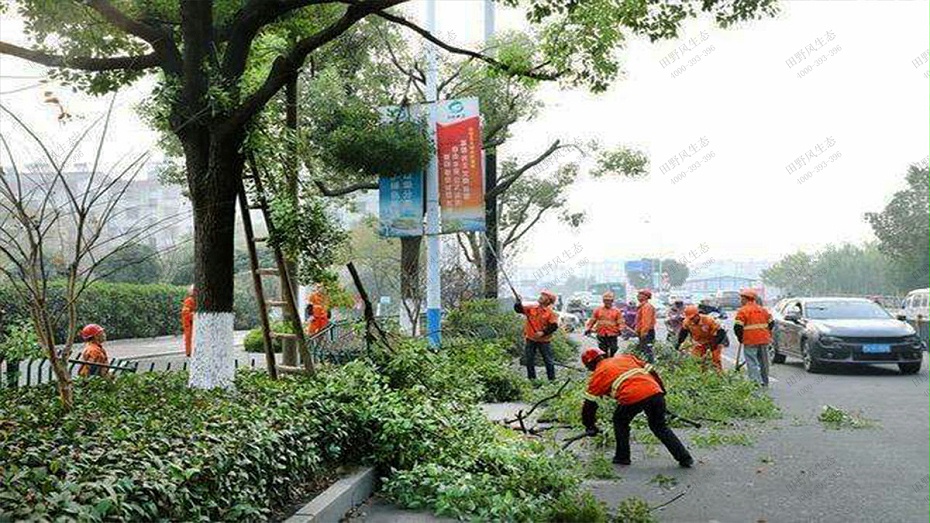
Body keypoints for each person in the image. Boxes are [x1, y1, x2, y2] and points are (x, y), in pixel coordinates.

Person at [580, 347, 693, 467]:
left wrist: (589, 425)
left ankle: (622, 457)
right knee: (659, 426)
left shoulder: (599, 373)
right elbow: (652, 371)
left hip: (632, 397)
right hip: (655, 391)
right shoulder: (626, 358)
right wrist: (661, 391)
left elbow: (589, 405)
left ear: (590, 365)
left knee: (620, 422)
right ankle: (684, 458)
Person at [514, 290, 560, 381]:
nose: (541, 296)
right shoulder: (532, 308)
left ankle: (552, 380)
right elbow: (519, 310)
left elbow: (554, 326)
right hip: (530, 339)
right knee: (529, 360)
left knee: (548, 361)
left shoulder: (551, 313)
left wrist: (543, 333)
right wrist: (518, 302)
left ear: (548, 300)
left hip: (544, 341)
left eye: (544, 296)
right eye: (541, 295)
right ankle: (532, 379)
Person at [734, 289, 775, 386]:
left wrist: (740, 338)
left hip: (750, 340)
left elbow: (738, 327)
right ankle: (765, 381)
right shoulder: (763, 310)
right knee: (764, 362)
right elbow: (771, 323)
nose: (740, 301)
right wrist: (766, 332)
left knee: (751, 361)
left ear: (745, 299)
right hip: (764, 339)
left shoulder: (743, 311)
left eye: (741, 298)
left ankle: (755, 382)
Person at [676, 305, 727, 372]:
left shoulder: (709, 320)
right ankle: (702, 375)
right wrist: (679, 343)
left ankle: (719, 375)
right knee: (697, 360)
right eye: (690, 318)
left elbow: (721, 333)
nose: (692, 320)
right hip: (700, 343)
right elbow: (683, 333)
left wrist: (714, 345)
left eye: (693, 318)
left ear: (697, 315)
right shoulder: (687, 322)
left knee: (716, 360)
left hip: (714, 341)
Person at [584, 291, 628, 356]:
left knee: (614, 348)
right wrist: (588, 328)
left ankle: (611, 357)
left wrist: (621, 329)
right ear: (603, 301)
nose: (607, 302)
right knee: (603, 351)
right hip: (601, 333)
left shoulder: (617, 311)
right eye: (605, 300)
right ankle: (605, 362)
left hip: (612, 334)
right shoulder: (598, 310)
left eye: (609, 300)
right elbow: (592, 321)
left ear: (612, 301)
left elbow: (621, 322)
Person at [634, 289, 656, 363]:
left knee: (647, 351)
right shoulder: (642, 306)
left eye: (640, 294)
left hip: (647, 332)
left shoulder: (647, 307)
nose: (638, 295)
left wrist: (643, 333)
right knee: (644, 350)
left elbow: (646, 321)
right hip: (644, 332)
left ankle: (650, 366)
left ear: (646, 296)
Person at [181, 285, 196, 357]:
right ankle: (189, 352)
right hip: (190, 324)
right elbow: (185, 313)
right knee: (189, 337)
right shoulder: (189, 300)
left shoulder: (194, 300)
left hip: (193, 323)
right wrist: (195, 316)